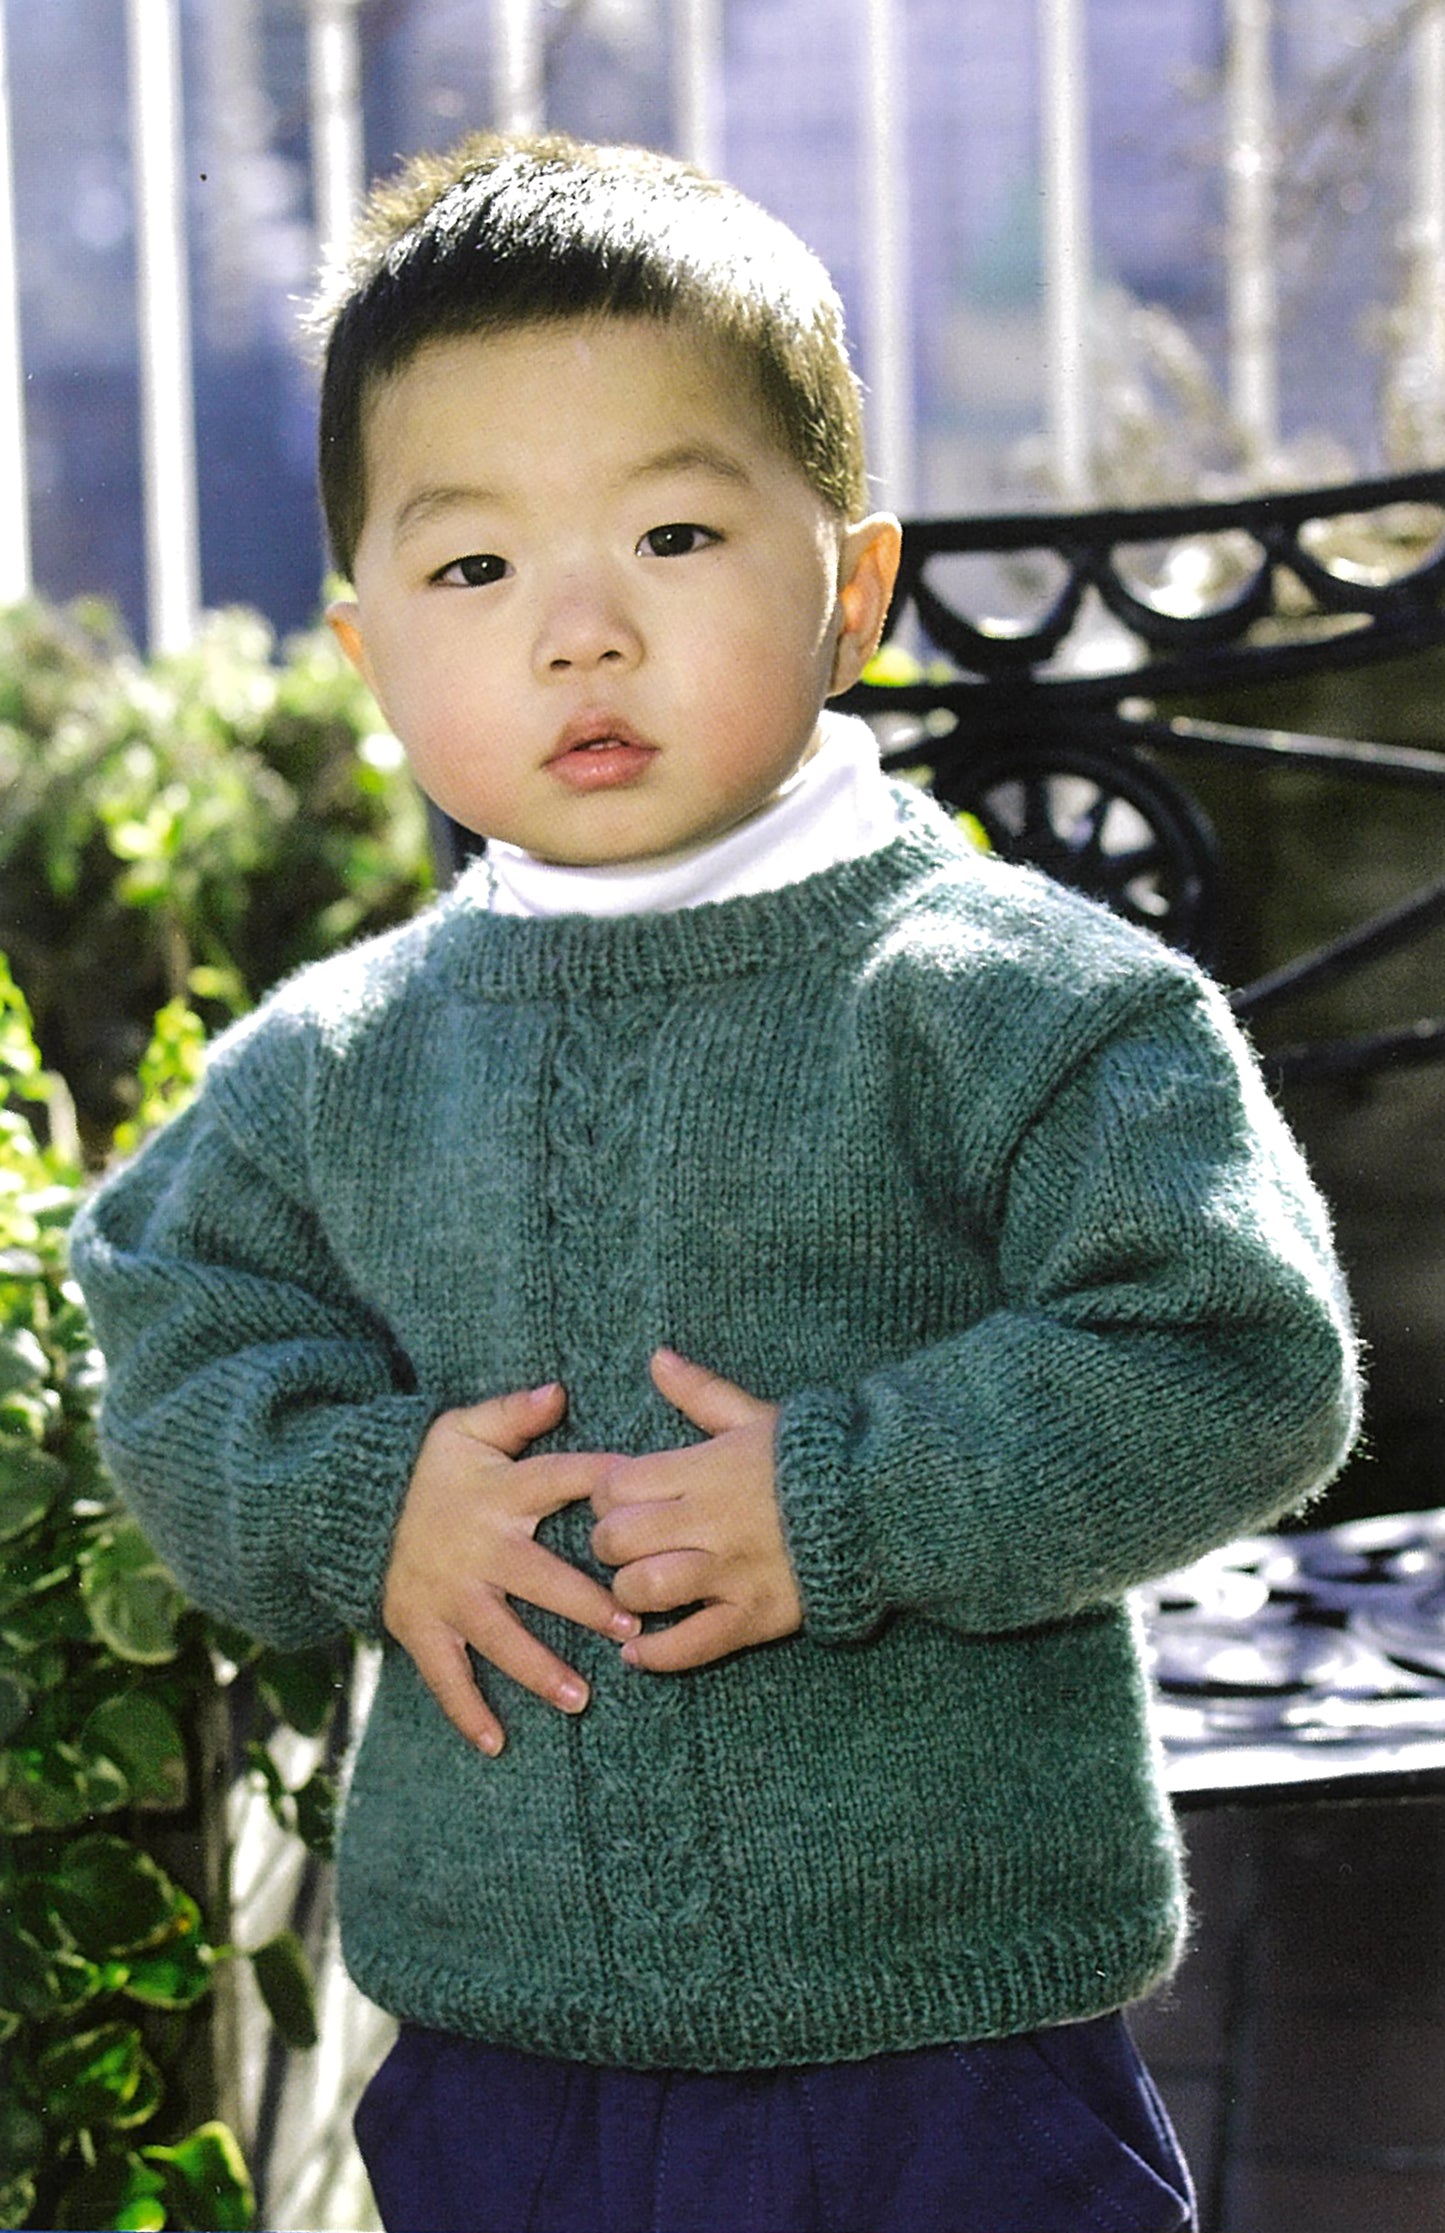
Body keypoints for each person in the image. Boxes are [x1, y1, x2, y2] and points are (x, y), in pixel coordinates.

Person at [71, 132, 1360, 2233]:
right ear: (369, 642)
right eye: (475, 569)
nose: (580, 632)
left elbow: (1235, 1353)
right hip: (511, 2060)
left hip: (948, 2042)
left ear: (849, 589)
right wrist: (365, 1494)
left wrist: (848, 1495)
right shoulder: (336, 1062)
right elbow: (175, 1326)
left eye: (671, 531)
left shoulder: (1009, 998)